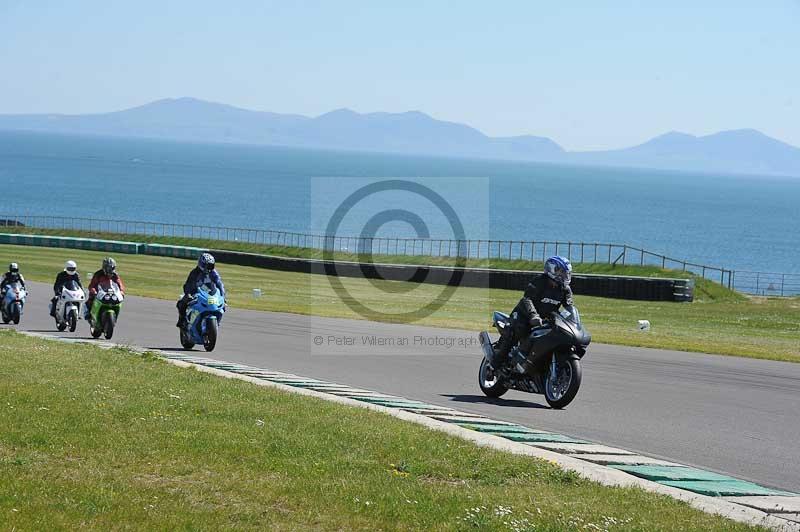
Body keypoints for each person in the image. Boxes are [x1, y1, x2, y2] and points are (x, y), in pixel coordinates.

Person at [492, 256, 574, 366]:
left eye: (566, 273)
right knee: (516, 332)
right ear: (551, 269)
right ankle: (495, 364)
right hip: (524, 315)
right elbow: (527, 299)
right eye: (561, 272)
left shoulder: (565, 290)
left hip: (544, 320)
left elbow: (569, 308)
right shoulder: (540, 281)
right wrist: (533, 315)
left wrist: (572, 322)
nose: (564, 275)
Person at [176, 252, 225, 328]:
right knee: (181, 303)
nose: (208, 268)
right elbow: (188, 285)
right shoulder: (194, 273)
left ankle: (216, 323)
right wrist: (188, 294)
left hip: (209, 293)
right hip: (195, 293)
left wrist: (223, 294)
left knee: (223, 305)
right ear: (201, 264)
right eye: (207, 265)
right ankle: (182, 320)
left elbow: (219, 283)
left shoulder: (213, 273)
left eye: (211, 266)